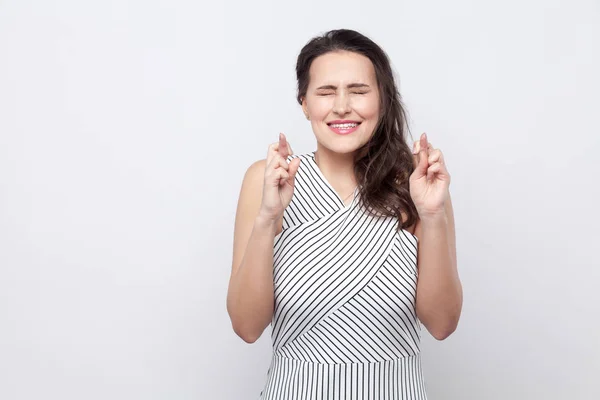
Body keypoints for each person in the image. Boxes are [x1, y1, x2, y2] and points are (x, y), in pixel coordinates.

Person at [226, 28, 462, 399]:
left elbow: (442, 324)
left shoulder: (417, 183)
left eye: (358, 90)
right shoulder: (267, 179)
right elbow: (247, 327)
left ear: (383, 99)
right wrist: (267, 219)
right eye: (325, 92)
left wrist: (432, 216)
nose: (341, 106)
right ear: (304, 102)